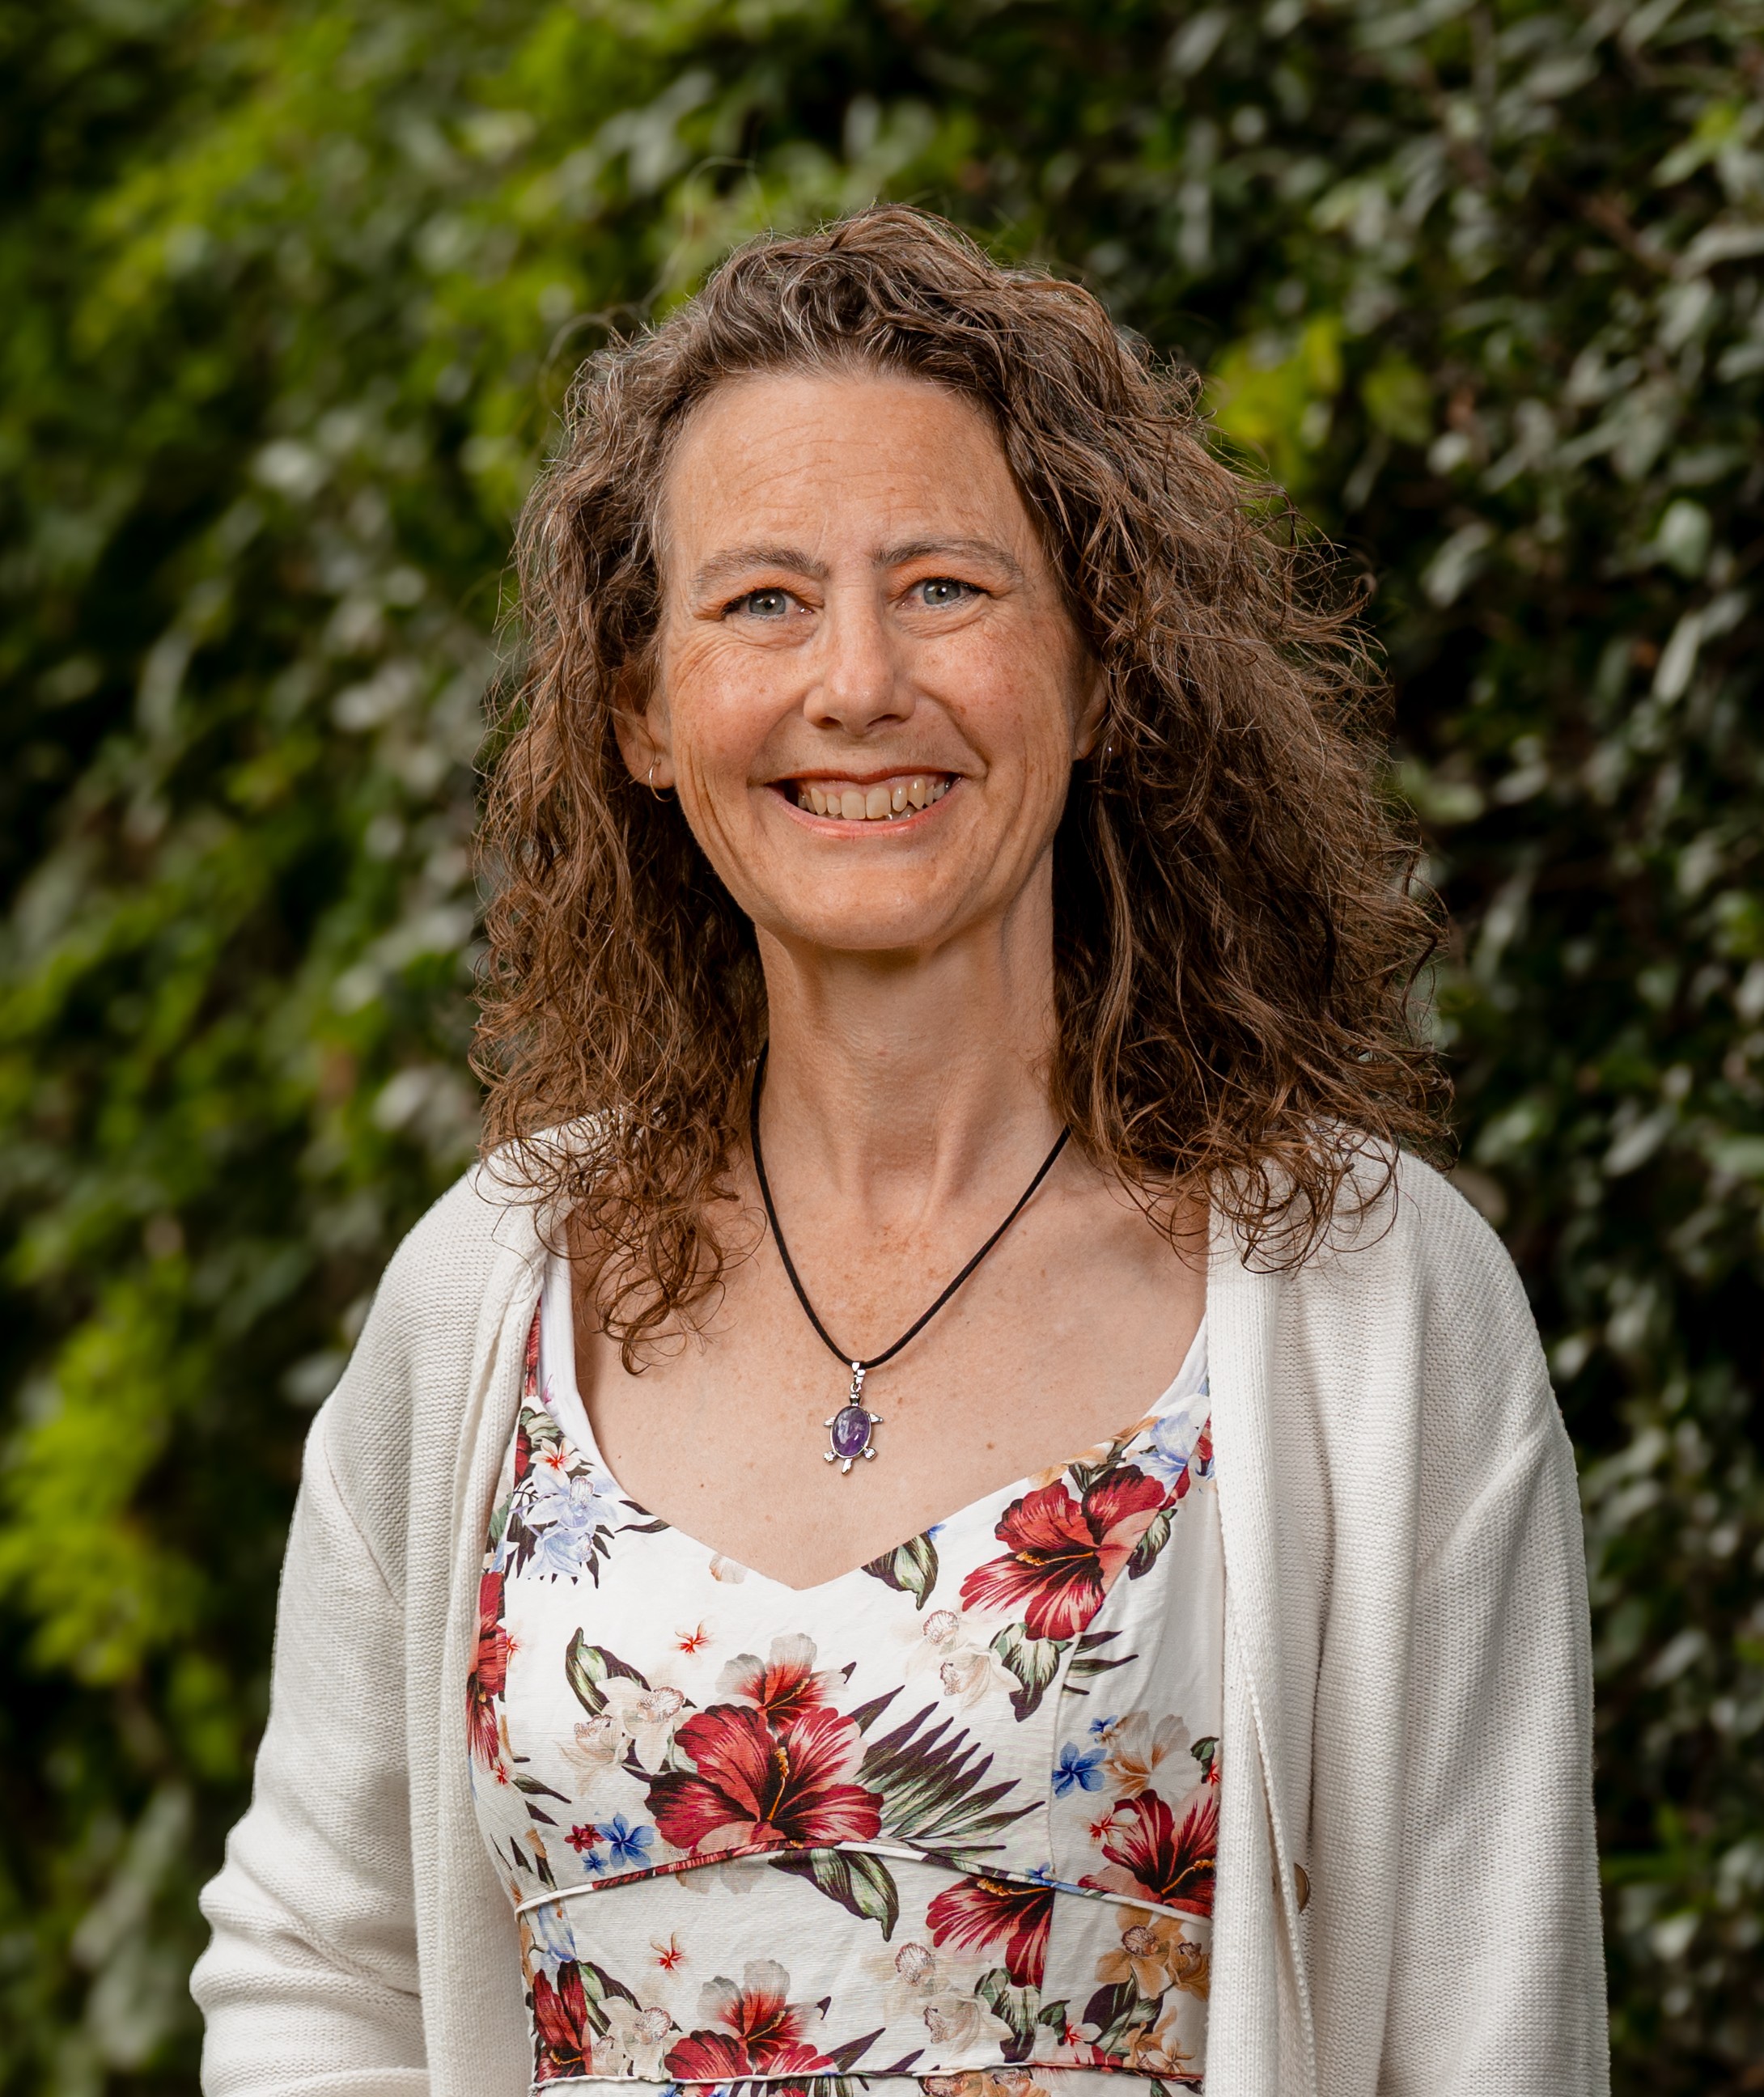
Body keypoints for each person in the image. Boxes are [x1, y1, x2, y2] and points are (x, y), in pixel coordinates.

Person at [191, 207, 1607, 2097]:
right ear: (641, 712)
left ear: (1101, 669)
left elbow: (1488, 2027)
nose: (856, 681)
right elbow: (315, 1961)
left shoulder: (1370, 1302)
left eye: (943, 587)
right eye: (761, 601)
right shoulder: (487, 1292)